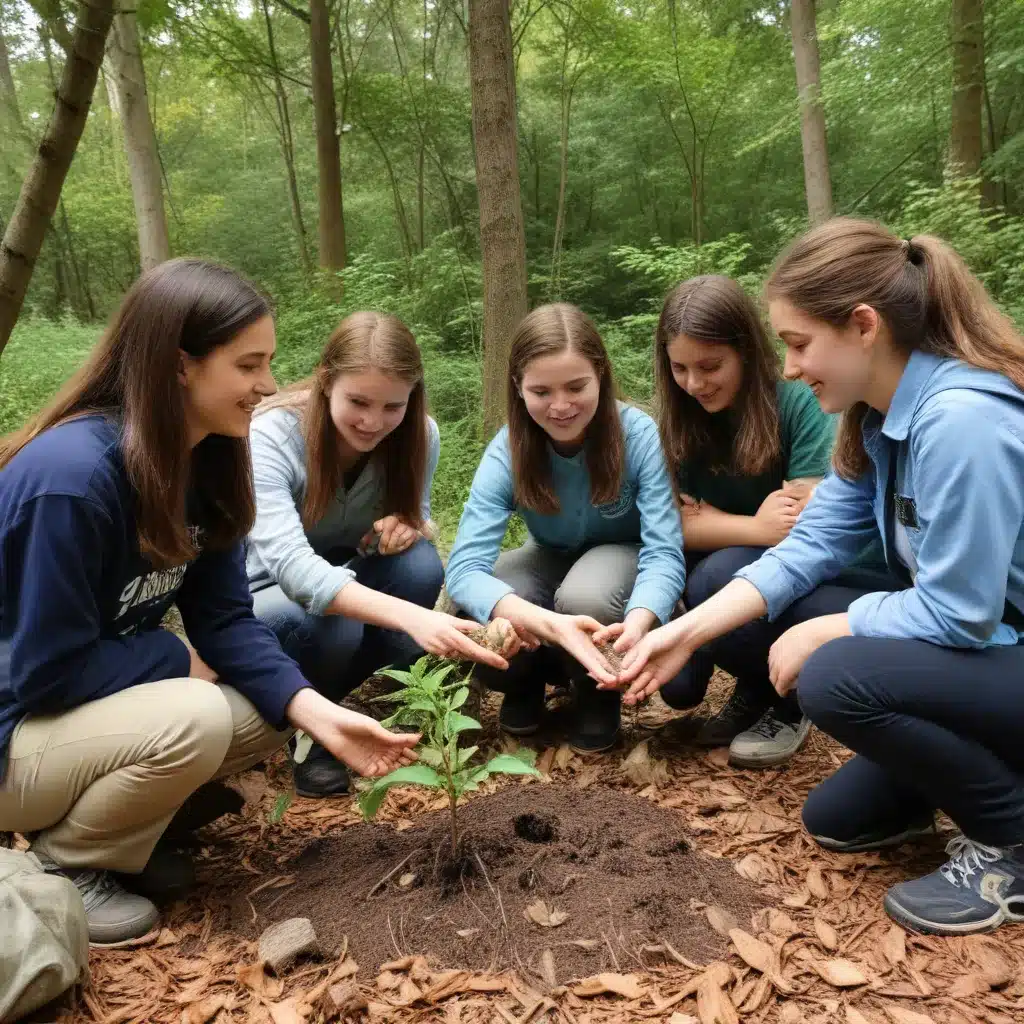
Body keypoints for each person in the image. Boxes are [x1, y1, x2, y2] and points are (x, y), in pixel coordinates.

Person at [613, 218, 1024, 936]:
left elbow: (962, 613)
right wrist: (681, 632)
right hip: (993, 658)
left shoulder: (962, 422)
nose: (793, 367)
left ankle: (1012, 841)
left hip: (1000, 647)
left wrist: (832, 628)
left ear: (863, 326)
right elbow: (807, 549)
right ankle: (962, 778)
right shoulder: (877, 421)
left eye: (799, 343)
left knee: (832, 674)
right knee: (837, 821)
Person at [0, 260, 419, 945]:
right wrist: (171, 656)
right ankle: (69, 863)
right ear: (179, 367)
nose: (271, 386)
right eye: (248, 365)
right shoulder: (72, 480)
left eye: (270, 362)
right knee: (197, 712)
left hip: (70, 717)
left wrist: (325, 717)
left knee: (270, 705)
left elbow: (224, 620)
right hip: (14, 727)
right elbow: (45, 672)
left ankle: (126, 830)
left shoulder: (209, 461)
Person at [247, 311, 514, 797]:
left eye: (393, 406)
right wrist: (415, 619)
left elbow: (422, 518)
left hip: (344, 576)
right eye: (358, 402)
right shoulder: (271, 434)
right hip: (264, 598)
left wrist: (409, 527)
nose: (374, 422)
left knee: (418, 565)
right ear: (326, 382)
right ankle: (313, 728)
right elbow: (291, 569)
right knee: (331, 622)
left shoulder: (418, 435)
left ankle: (384, 690)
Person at [445, 303, 686, 753]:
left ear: (601, 376)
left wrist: (641, 617)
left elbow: (665, 549)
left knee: (586, 593)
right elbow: (463, 570)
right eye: (541, 391)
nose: (560, 406)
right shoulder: (509, 451)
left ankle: (596, 695)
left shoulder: (637, 435)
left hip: (622, 556)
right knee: (499, 588)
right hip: (549, 556)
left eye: (577, 387)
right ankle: (523, 683)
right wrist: (536, 619)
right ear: (518, 388)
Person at [651, 275, 835, 766]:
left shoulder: (795, 401)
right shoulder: (677, 416)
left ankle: (789, 700)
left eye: (711, 366)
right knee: (679, 689)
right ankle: (755, 684)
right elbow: (669, 524)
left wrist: (713, 519)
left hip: (798, 573)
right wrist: (755, 525)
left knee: (718, 572)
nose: (694, 383)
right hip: (718, 562)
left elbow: (808, 514)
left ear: (747, 352)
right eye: (679, 368)